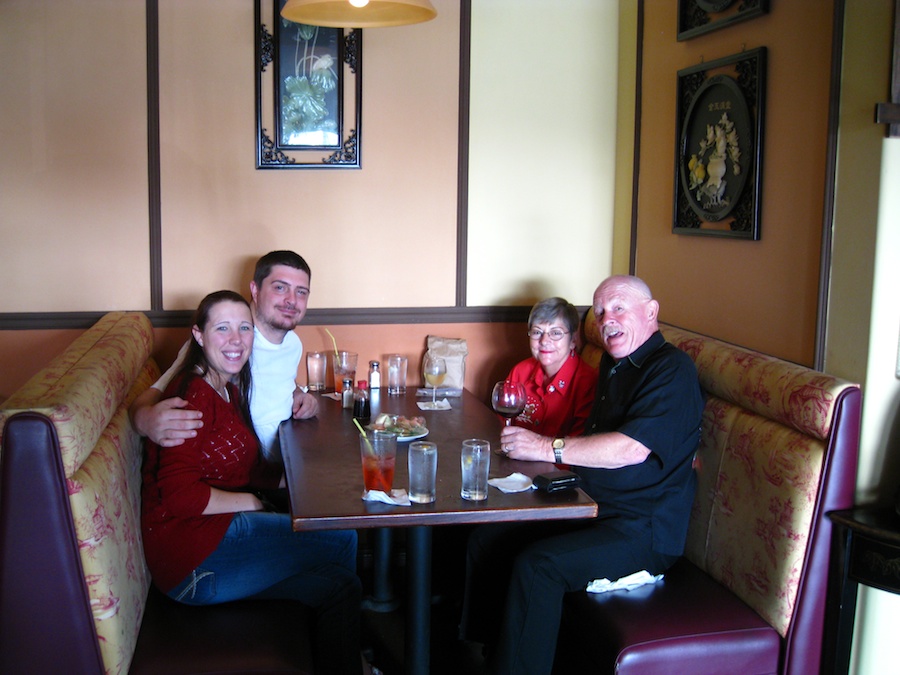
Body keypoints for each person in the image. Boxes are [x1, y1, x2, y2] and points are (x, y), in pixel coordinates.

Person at [461, 275, 705, 675]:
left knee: (539, 566)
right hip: (594, 506)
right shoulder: (614, 364)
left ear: (651, 311)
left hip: (643, 529)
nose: (608, 318)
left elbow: (630, 448)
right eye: (601, 310)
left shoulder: (671, 370)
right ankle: (487, 654)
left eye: (619, 307)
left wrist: (545, 447)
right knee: (488, 538)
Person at [140, 290, 363, 675]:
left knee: (339, 585)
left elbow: (245, 469)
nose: (236, 339)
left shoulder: (227, 387)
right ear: (198, 335)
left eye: (244, 328)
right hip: (192, 561)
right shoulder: (191, 396)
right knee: (343, 537)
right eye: (222, 328)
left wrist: (302, 480)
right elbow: (180, 497)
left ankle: (340, 657)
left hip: (211, 541)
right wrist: (255, 503)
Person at [131, 250, 319, 463]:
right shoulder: (226, 345)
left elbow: (277, 379)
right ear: (255, 290)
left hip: (288, 461)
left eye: (301, 292)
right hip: (247, 474)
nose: (291, 300)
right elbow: (158, 393)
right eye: (280, 288)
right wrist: (145, 421)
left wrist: (298, 395)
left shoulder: (293, 344)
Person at [502, 297, 597, 438]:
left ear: (573, 340)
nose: (544, 341)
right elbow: (502, 427)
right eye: (537, 332)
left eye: (556, 333)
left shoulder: (589, 383)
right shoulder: (519, 372)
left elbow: (578, 448)